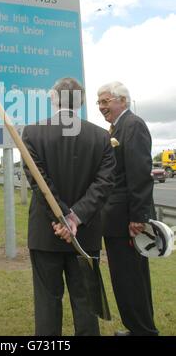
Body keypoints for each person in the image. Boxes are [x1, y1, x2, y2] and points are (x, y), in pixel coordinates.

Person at [22, 77, 115, 336]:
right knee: (86, 306)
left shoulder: (32, 133)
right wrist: (75, 218)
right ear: (82, 102)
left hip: (46, 232)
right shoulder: (100, 137)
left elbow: (40, 184)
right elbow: (104, 184)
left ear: (54, 99)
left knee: (47, 304)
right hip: (84, 233)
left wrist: (65, 217)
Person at [97, 81, 158, 336]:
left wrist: (138, 217)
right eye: (99, 102)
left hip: (128, 222)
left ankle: (143, 331)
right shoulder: (117, 127)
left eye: (106, 101)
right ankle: (136, 328)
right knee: (124, 279)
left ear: (123, 100)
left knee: (131, 279)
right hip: (117, 220)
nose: (101, 107)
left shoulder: (133, 125)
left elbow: (140, 174)